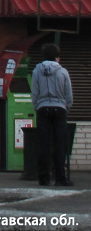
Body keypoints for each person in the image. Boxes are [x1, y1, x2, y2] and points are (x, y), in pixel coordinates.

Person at [31, 43, 74, 186]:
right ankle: (60, 177)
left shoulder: (37, 71)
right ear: (57, 57)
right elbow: (68, 94)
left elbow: (35, 92)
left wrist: (37, 106)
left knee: (43, 144)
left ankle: (43, 177)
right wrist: (65, 106)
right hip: (60, 109)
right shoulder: (63, 72)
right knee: (59, 144)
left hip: (43, 109)